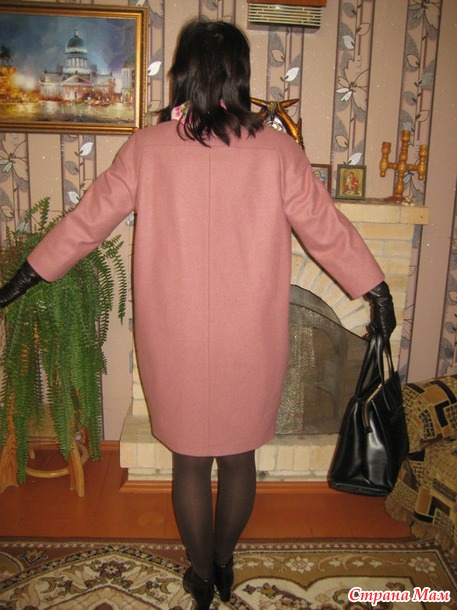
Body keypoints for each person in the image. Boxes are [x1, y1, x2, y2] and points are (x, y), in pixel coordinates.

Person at [0, 19, 395, 610]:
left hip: (174, 338)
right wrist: (376, 289)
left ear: (184, 73)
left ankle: (202, 576)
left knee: (189, 462)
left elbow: (87, 222)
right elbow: (327, 230)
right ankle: (224, 561)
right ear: (240, 75)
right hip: (250, 339)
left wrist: (26, 274)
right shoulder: (279, 152)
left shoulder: (145, 148)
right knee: (238, 458)